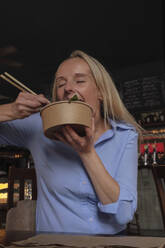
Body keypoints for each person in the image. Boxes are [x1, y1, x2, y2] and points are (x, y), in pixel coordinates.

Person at [0, 50, 141, 235]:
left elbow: (123, 215)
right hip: (52, 243)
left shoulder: (125, 136)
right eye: (60, 83)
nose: (67, 88)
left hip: (109, 243)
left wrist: (87, 152)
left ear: (101, 92)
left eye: (80, 81)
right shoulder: (40, 127)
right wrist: (11, 110)